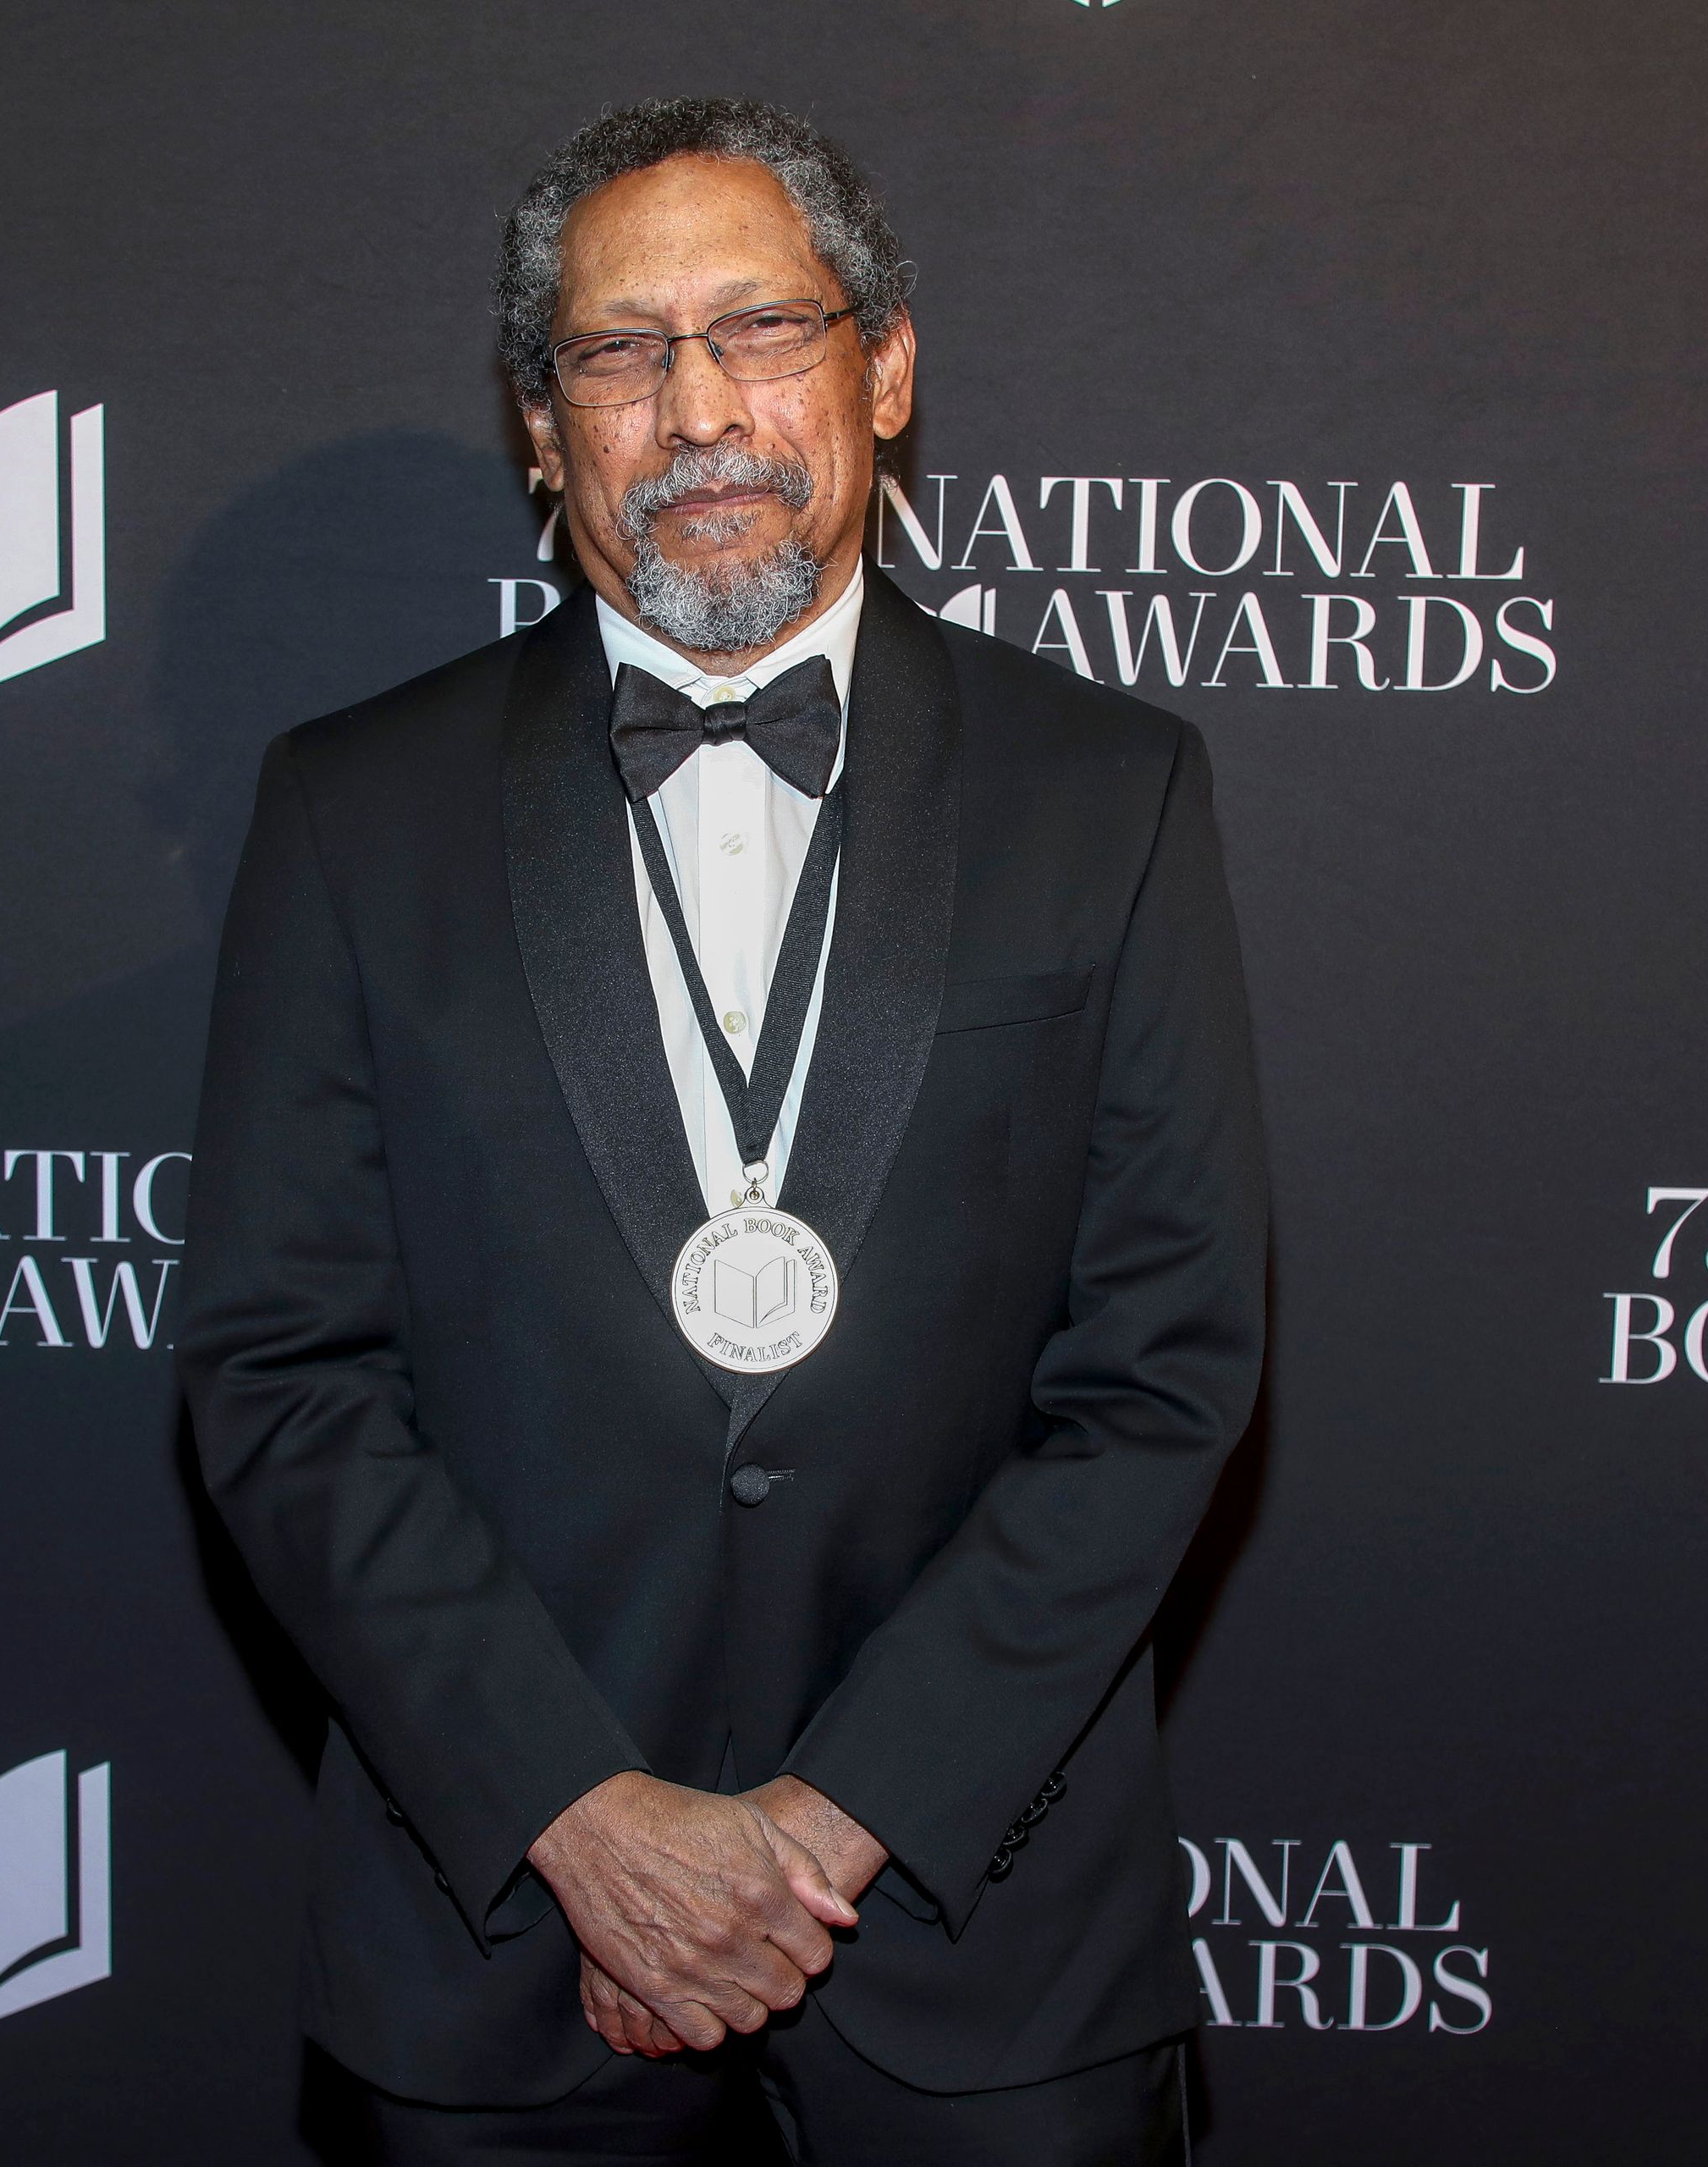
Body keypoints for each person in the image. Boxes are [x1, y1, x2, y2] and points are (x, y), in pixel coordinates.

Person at [179, 96, 1266, 2165]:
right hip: (497, 1930)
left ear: (884, 368)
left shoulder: (1109, 792)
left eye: (761, 328)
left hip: (987, 1922)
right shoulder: (352, 810)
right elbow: (284, 1372)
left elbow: (1165, 1370)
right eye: (618, 350)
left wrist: (830, 1821)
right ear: (540, 420)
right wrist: (586, 1821)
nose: (696, 408)